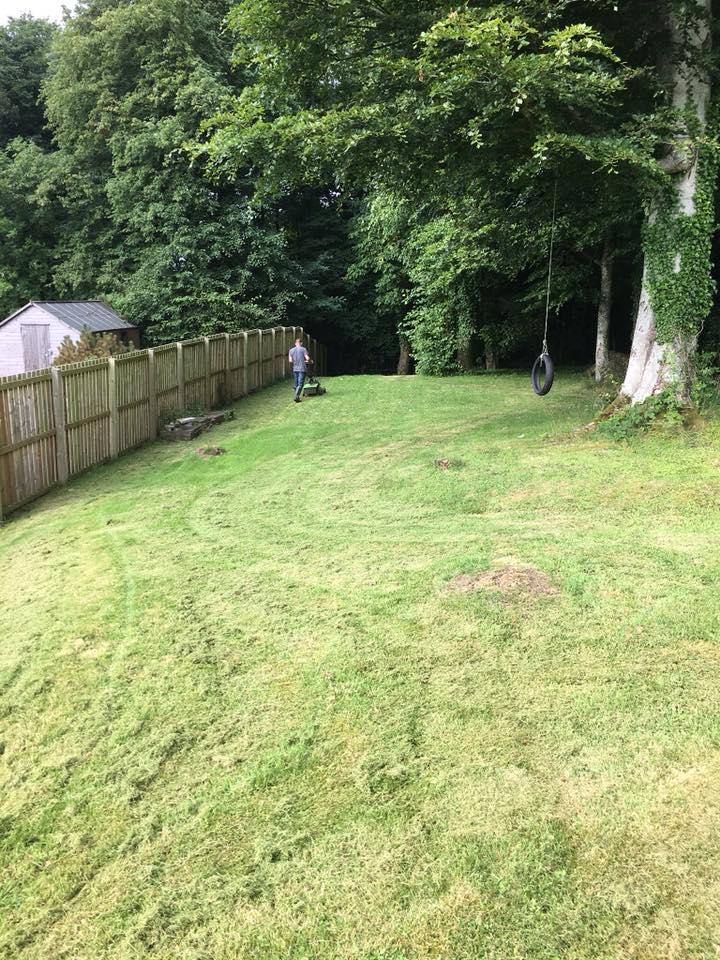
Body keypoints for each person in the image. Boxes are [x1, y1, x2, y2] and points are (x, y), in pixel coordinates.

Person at [288, 337, 311, 403]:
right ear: (301, 343)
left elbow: (290, 361)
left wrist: (297, 361)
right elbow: (307, 358)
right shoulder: (303, 349)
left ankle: (297, 395)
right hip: (302, 368)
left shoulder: (291, 350)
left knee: (296, 383)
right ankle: (296, 397)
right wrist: (309, 360)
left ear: (295, 343)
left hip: (295, 369)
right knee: (300, 384)